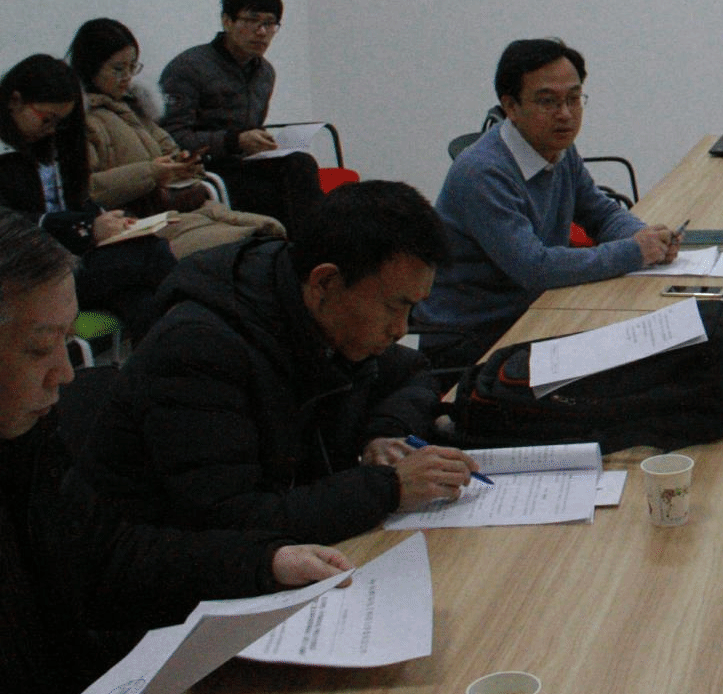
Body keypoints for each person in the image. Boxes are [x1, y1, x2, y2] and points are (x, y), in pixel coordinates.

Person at [0, 211, 351, 694]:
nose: (65, 373)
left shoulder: (24, 442)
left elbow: (106, 554)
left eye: (67, 341)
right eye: (40, 349)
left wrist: (264, 561)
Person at [84, 181, 478, 544]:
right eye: (395, 307)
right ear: (325, 282)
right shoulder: (198, 351)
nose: (400, 329)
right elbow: (232, 522)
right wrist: (388, 488)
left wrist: (381, 436)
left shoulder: (322, 312)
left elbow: (413, 373)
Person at [411, 38, 682, 372]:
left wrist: (647, 239)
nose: (565, 114)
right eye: (548, 101)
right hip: (476, 339)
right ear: (511, 107)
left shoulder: (557, 149)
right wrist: (635, 251)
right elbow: (534, 268)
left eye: (573, 99)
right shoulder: (482, 172)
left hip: (538, 311)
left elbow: (600, 213)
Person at [67, 18, 285, 256]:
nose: (127, 76)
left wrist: (185, 164)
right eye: (118, 69)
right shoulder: (83, 121)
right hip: (139, 222)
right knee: (247, 245)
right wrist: (152, 173)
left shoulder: (136, 110)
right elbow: (87, 190)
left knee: (271, 231)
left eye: (132, 67)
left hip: (178, 208)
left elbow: (169, 150)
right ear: (91, 68)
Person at [0, 56, 175, 341]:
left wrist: (106, 219)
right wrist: (85, 228)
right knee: (151, 255)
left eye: (60, 122)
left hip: (69, 259)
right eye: (47, 119)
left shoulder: (49, 144)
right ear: (14, 101)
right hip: (26, 276)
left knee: (142, 300)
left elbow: (75, 199)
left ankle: (170, 361)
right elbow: (9, 225)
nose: (52, 129)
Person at [158, 0, 322, 231]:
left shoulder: (265, 72)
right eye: (252, 20)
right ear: (227, 21)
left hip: (243, 163)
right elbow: (172, 137)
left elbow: (251, 128)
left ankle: (313, 242)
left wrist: (261, 141)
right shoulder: (189, 67)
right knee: (281, 191)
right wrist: (235, 141)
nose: (262, 32)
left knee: (300, 163)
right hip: (205, 169)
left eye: (270, 23)